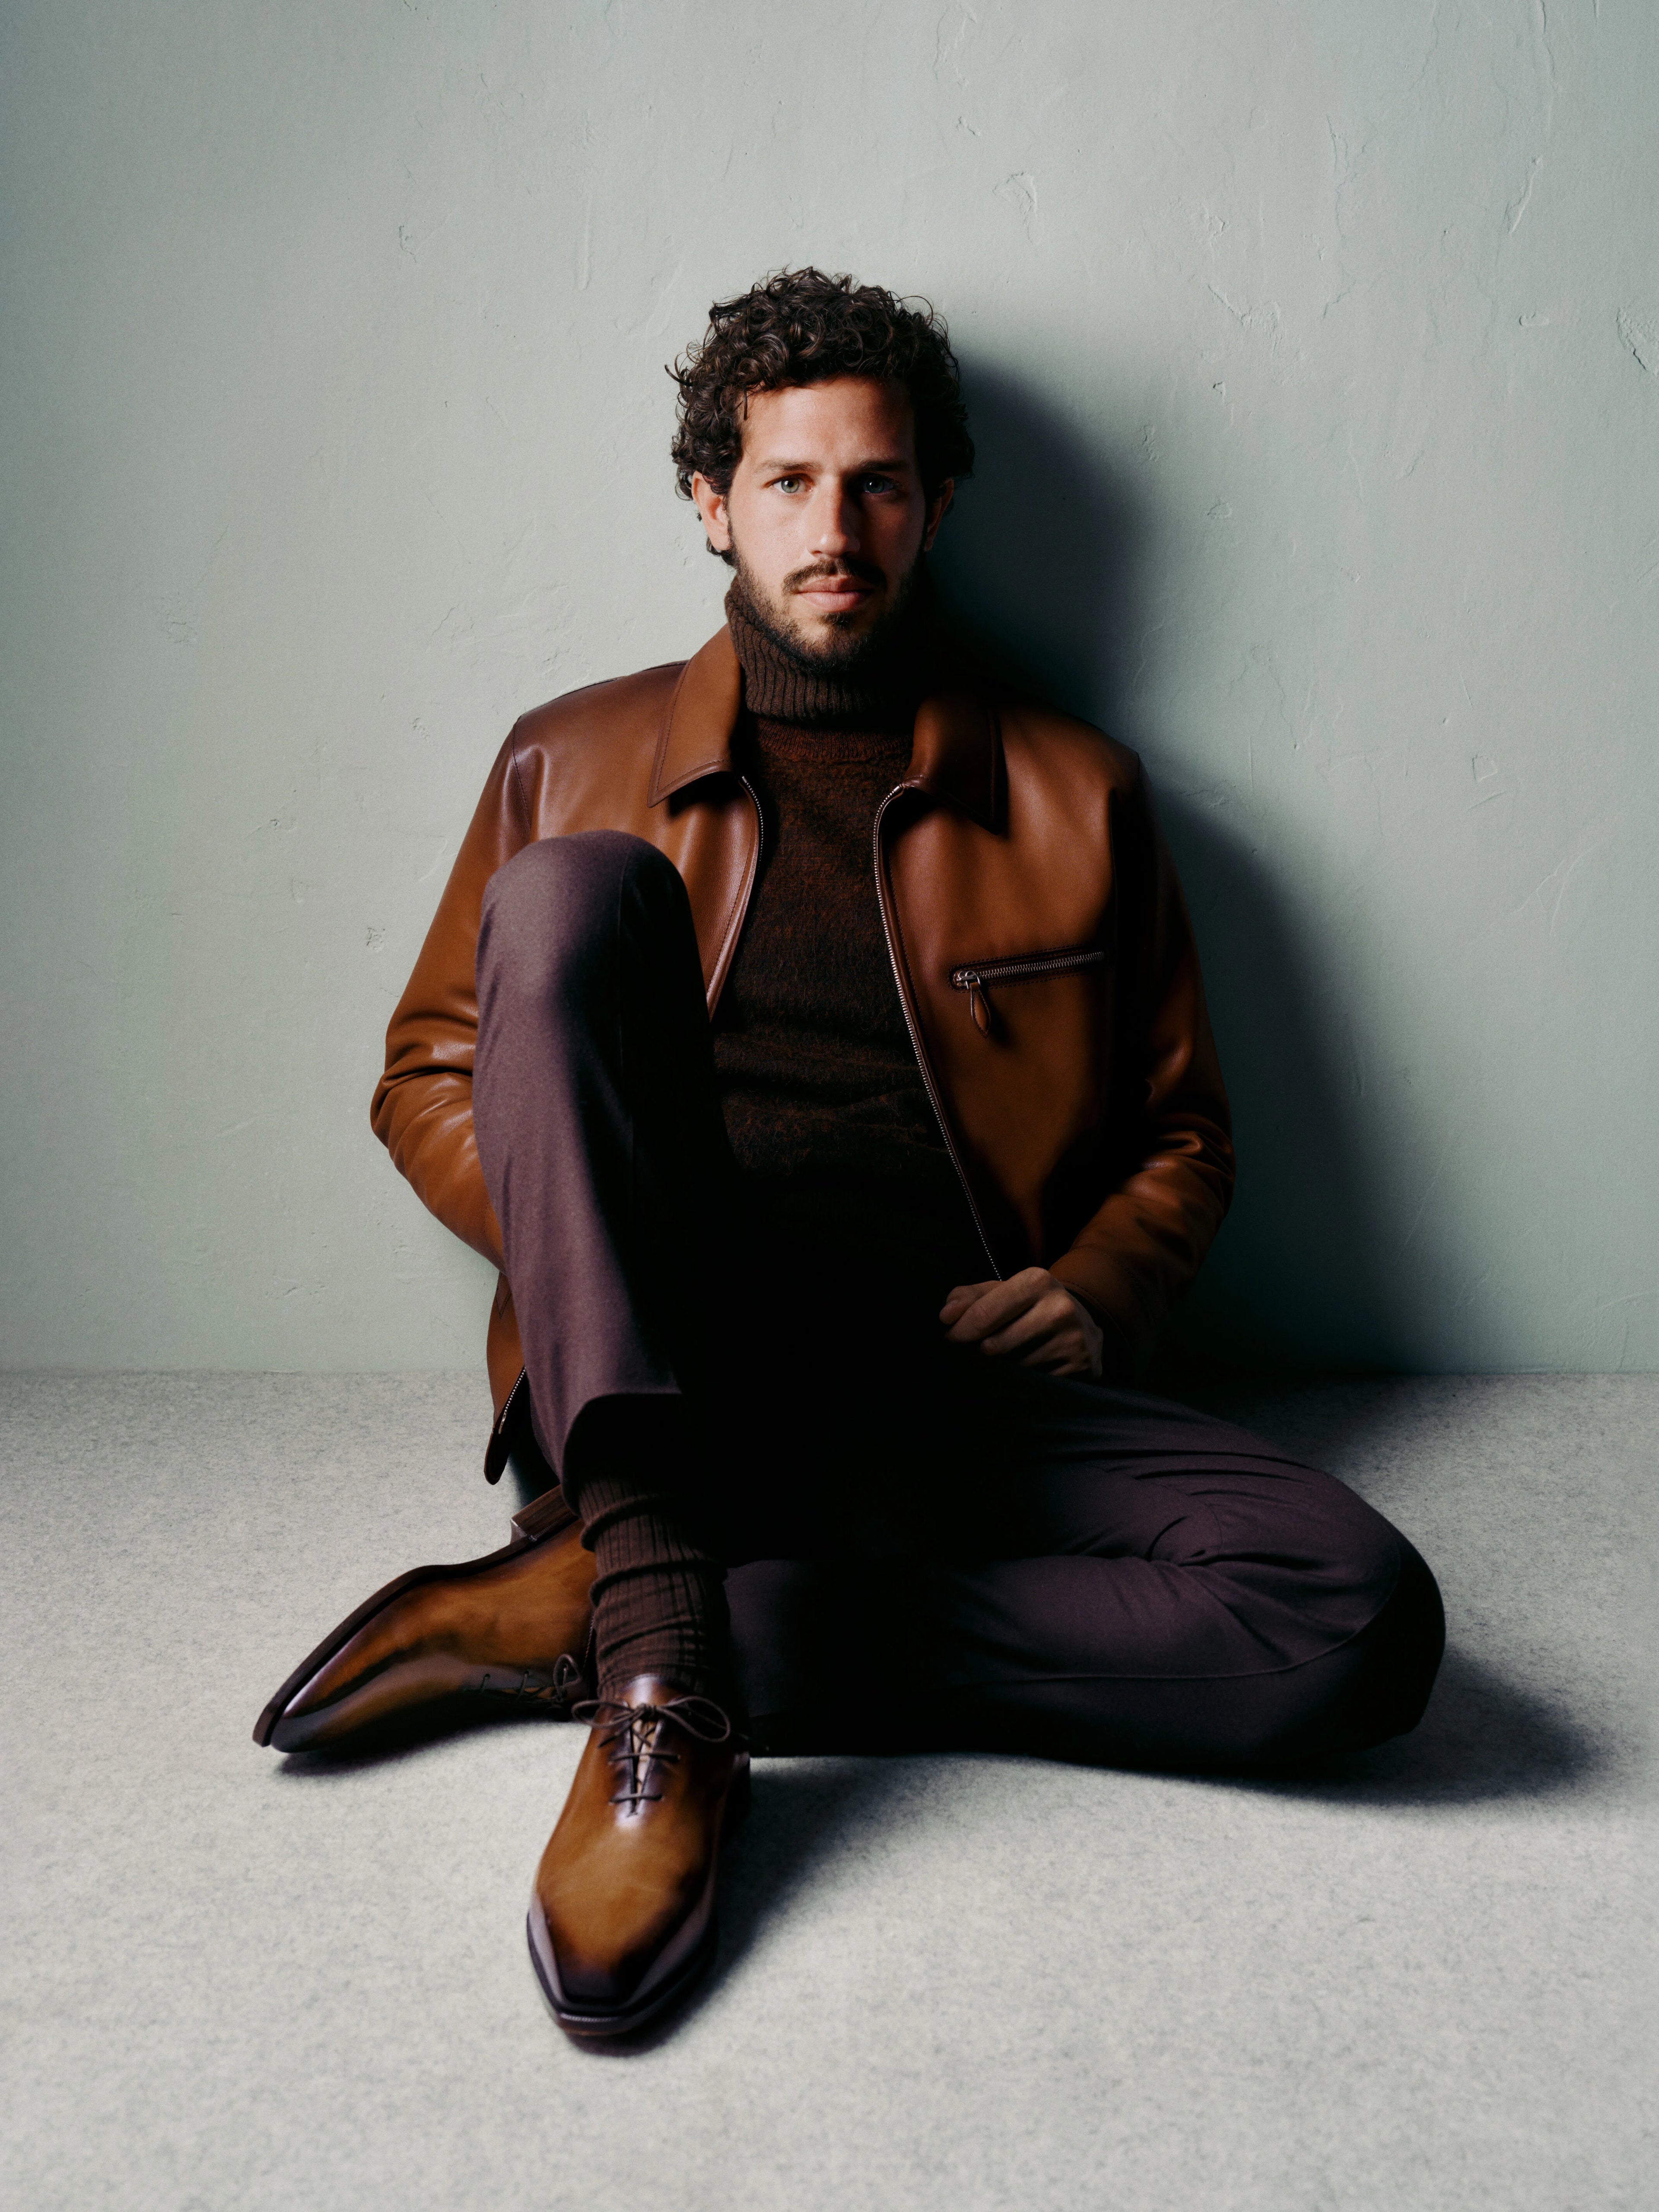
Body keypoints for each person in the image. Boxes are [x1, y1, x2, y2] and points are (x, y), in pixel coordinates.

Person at [254, 269, 1444, 2044]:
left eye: (877, 484)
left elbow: (1185, 1131)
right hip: (684, 1354)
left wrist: (1099, 1283)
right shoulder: (565, 757)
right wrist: (605, 1239)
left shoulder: (1081, 792)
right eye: (790, 484)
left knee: (1359, 1618)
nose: (835, 531)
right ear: (711, 503)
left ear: (934, 503)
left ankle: (624, 1602)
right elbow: (431, 1068)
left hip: (953, 1373)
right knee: (571, 897)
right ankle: (665, 1681)